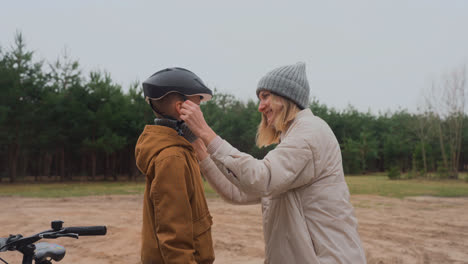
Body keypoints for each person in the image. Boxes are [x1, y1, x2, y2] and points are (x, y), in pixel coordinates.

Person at [180, 62, 367, 263]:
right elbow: (237, 192)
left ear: (286, 97)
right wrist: (199, 147)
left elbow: (260, 178)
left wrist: (206, 132)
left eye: (266, 96)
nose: (260, 107)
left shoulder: (309, 133)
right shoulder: (294, 139)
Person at [135, 67, 215, 264]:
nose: (200, 111)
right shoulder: (172, 157)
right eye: (198, 104)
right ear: (182, 108)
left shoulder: (180, 149)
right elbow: (174, 235)